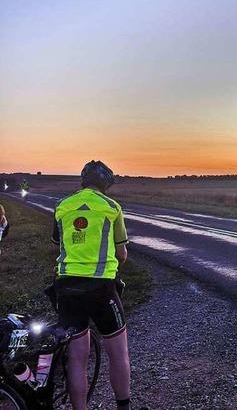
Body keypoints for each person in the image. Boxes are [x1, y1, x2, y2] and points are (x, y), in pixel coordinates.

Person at [51, 160, 131, 410]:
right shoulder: (111, 207)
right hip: (101, 289)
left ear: (83, 180)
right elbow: (121, 254)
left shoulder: (62, 206)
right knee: (118, 353)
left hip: (66, 287)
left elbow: (57, 244)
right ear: (106, 183)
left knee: (77, 358)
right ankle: (123, 406)